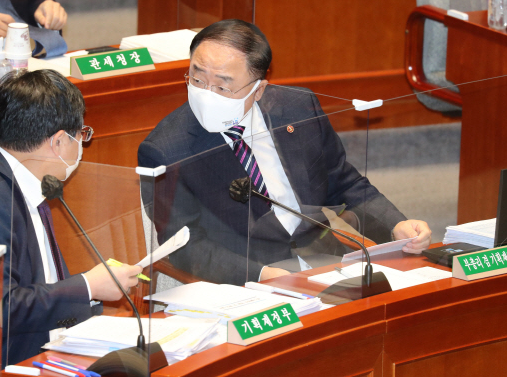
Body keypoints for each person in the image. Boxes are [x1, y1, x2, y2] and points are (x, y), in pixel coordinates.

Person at [138, 19, 432, 286]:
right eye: (197, 79)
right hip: (245, 280)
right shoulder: (164, 150)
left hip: (325, 260)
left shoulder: (298, 108)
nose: (206, 94)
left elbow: (345, 183)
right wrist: (262, 275)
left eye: (223, 87)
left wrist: (396, 225)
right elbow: (186, 245)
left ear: (259, 89)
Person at [0, 69, 142, 365]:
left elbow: (39, 286)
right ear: (59, 141)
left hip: (39, 352)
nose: (81, 145)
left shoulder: (33, 185)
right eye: (81, 134)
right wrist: (88, 285)